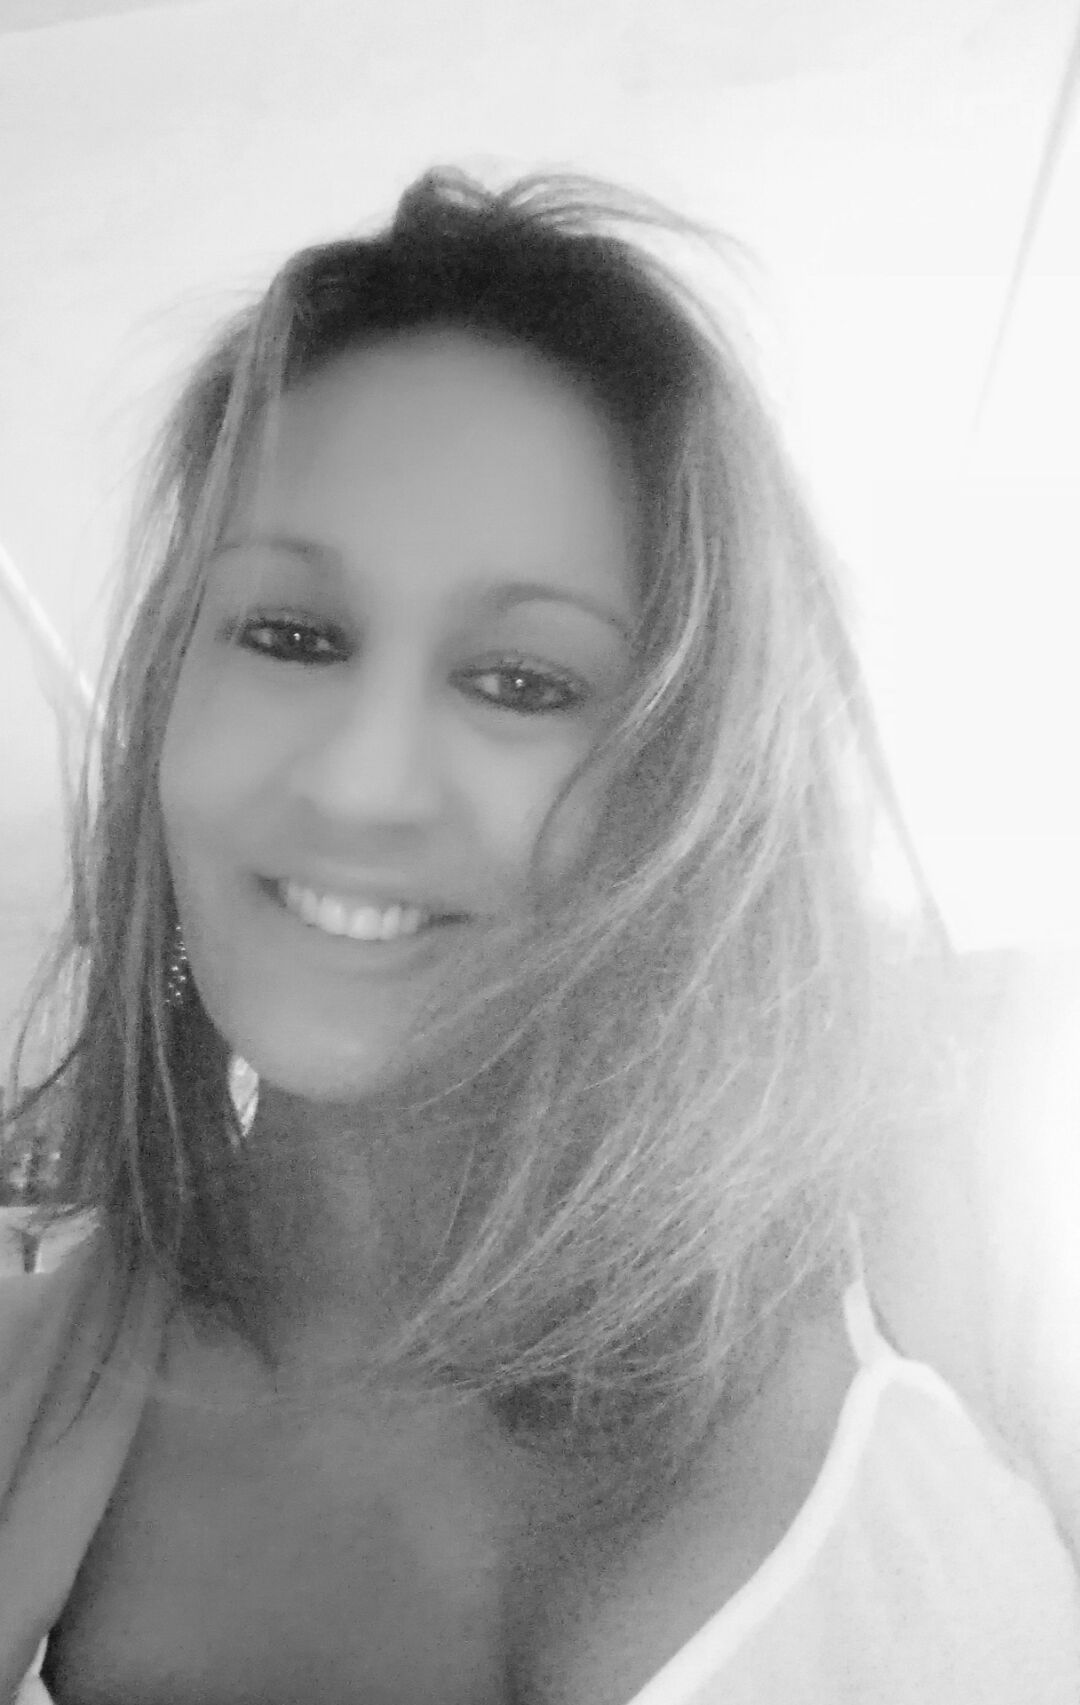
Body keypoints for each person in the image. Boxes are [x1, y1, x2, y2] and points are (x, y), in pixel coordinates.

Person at [0, 165, 1077, 1705]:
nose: (361, 781)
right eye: (290, 634)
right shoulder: (36, 1385)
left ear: (683, 769)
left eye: (523, 680)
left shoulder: (964, 1191)